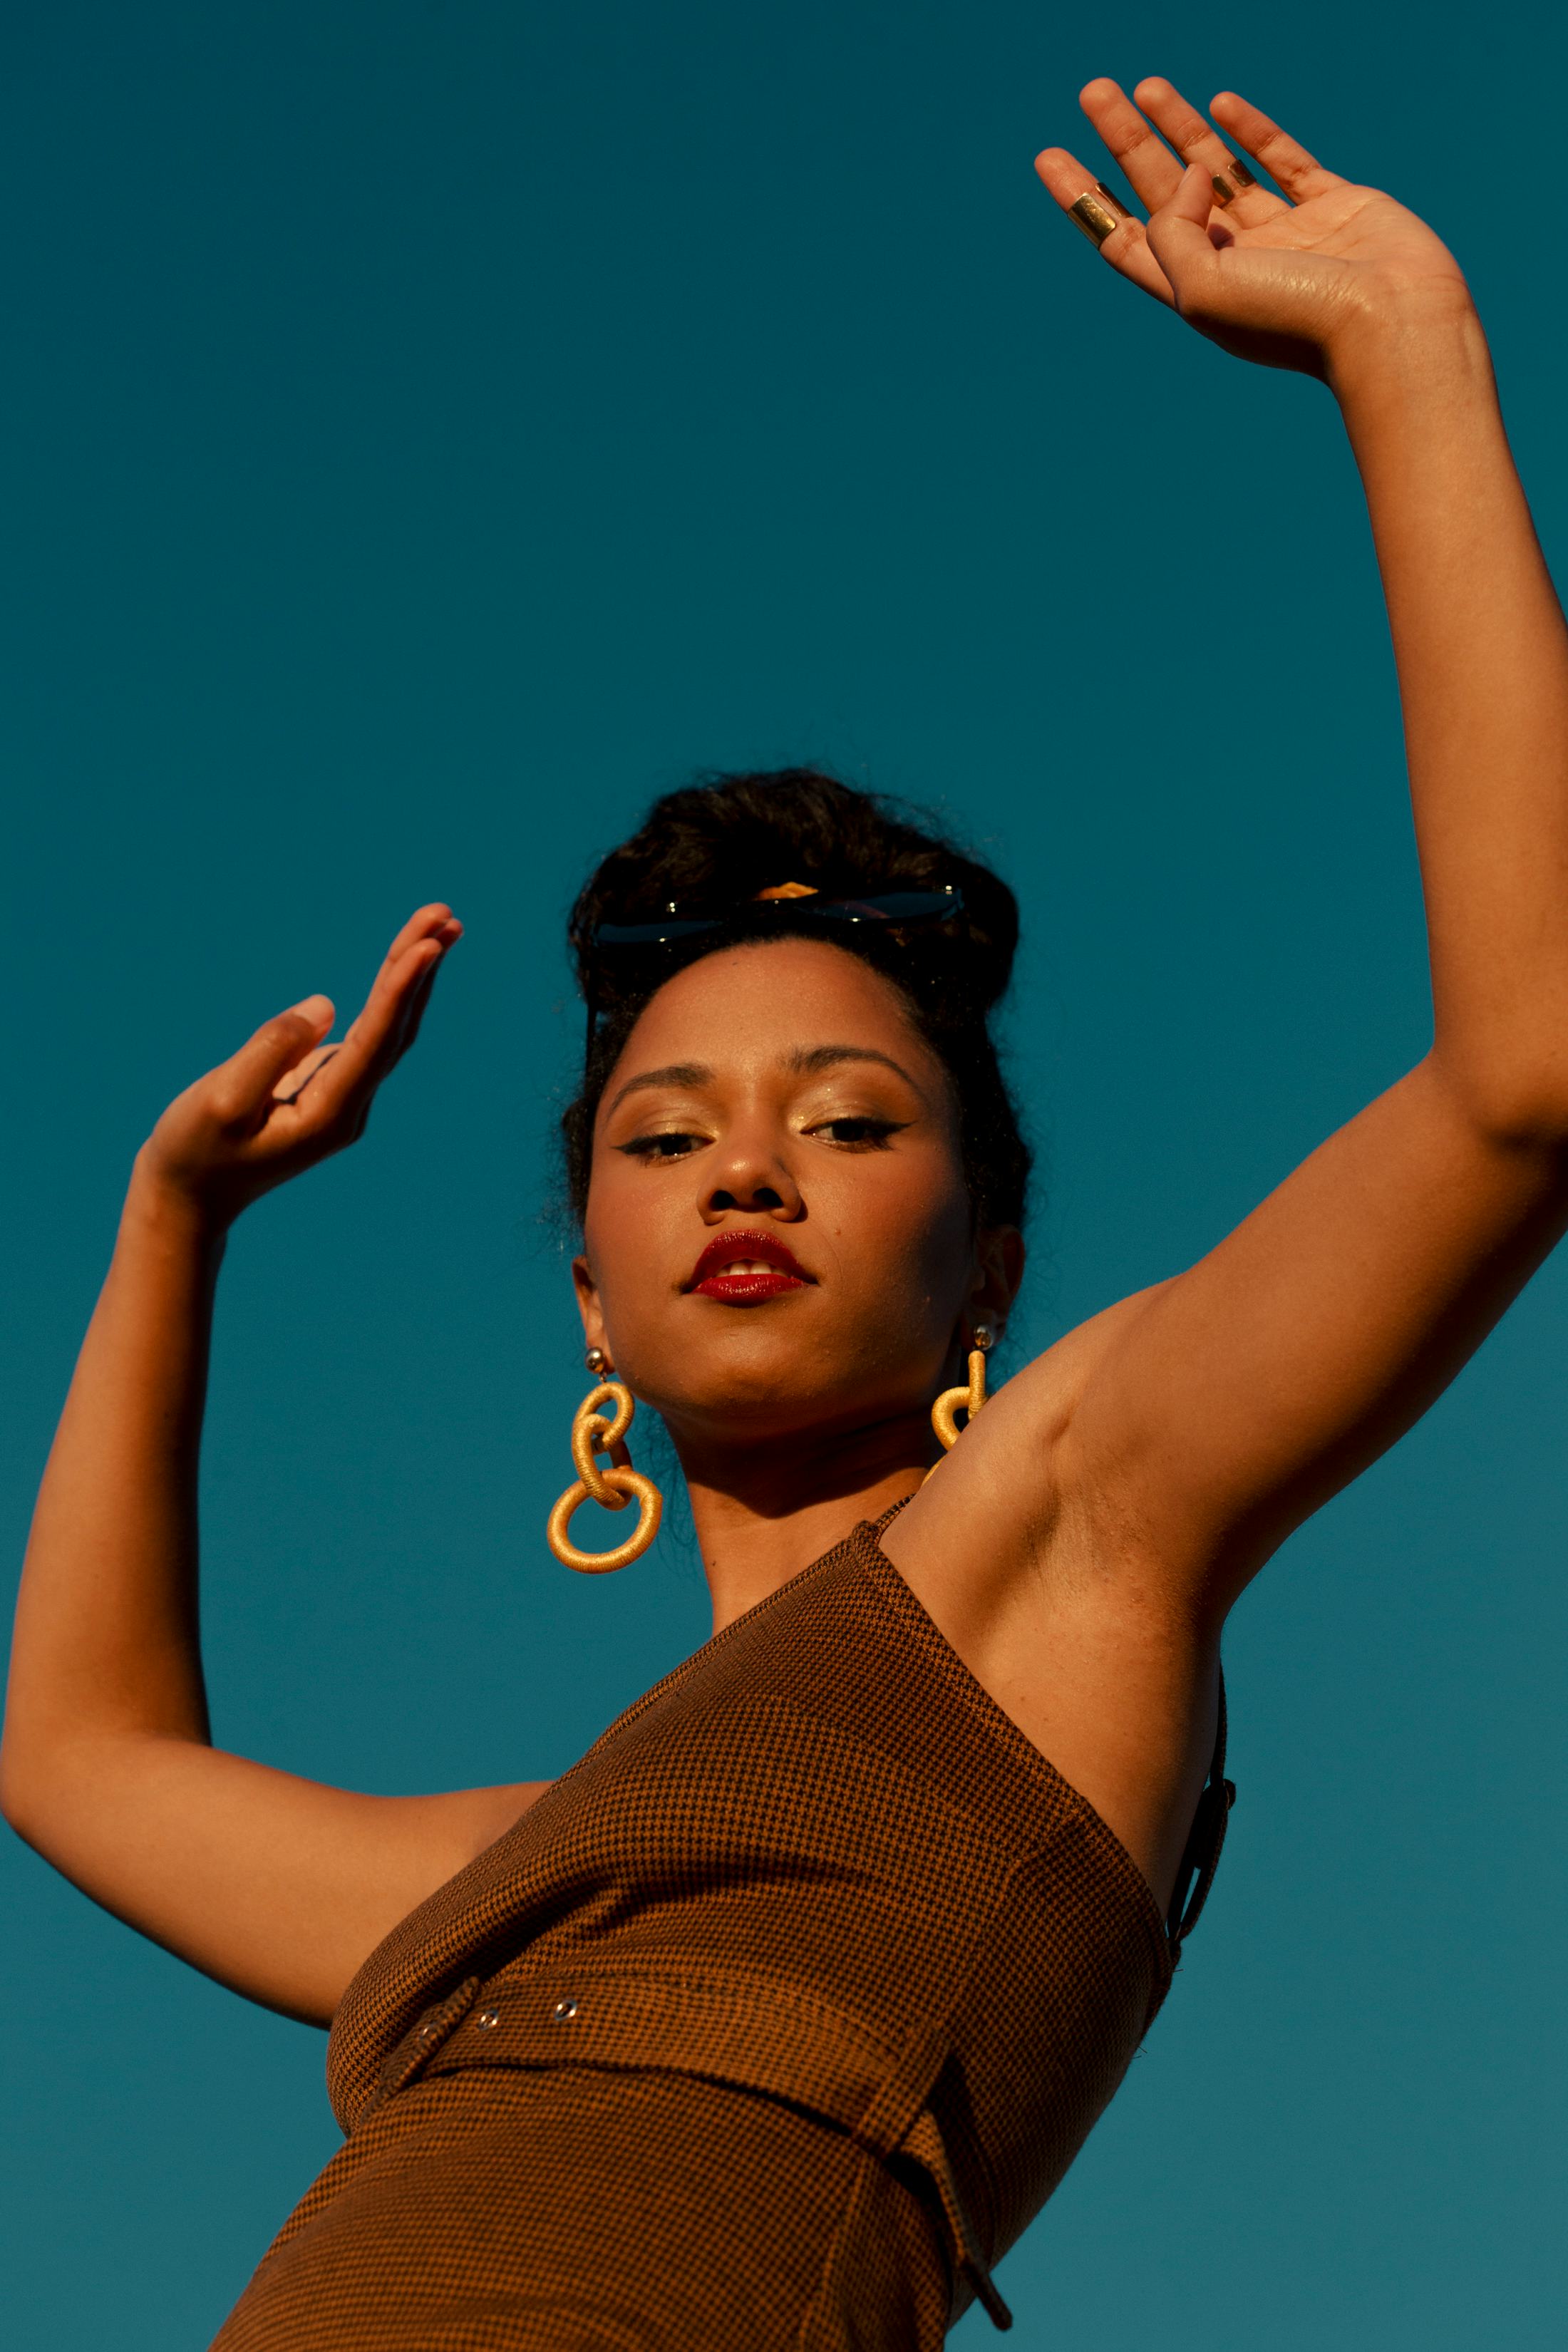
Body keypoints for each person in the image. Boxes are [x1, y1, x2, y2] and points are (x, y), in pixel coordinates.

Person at [6, 71, 1568, 2350]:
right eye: (663, 1137)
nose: (743, 1166)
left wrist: (1406, 346)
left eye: (847, 1121)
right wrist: (177, 1223)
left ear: (997, 1260)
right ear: (590, 1312)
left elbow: (1526, 1082)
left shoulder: (1076, 1520)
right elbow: (74, 1758)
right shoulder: (527, 1871)